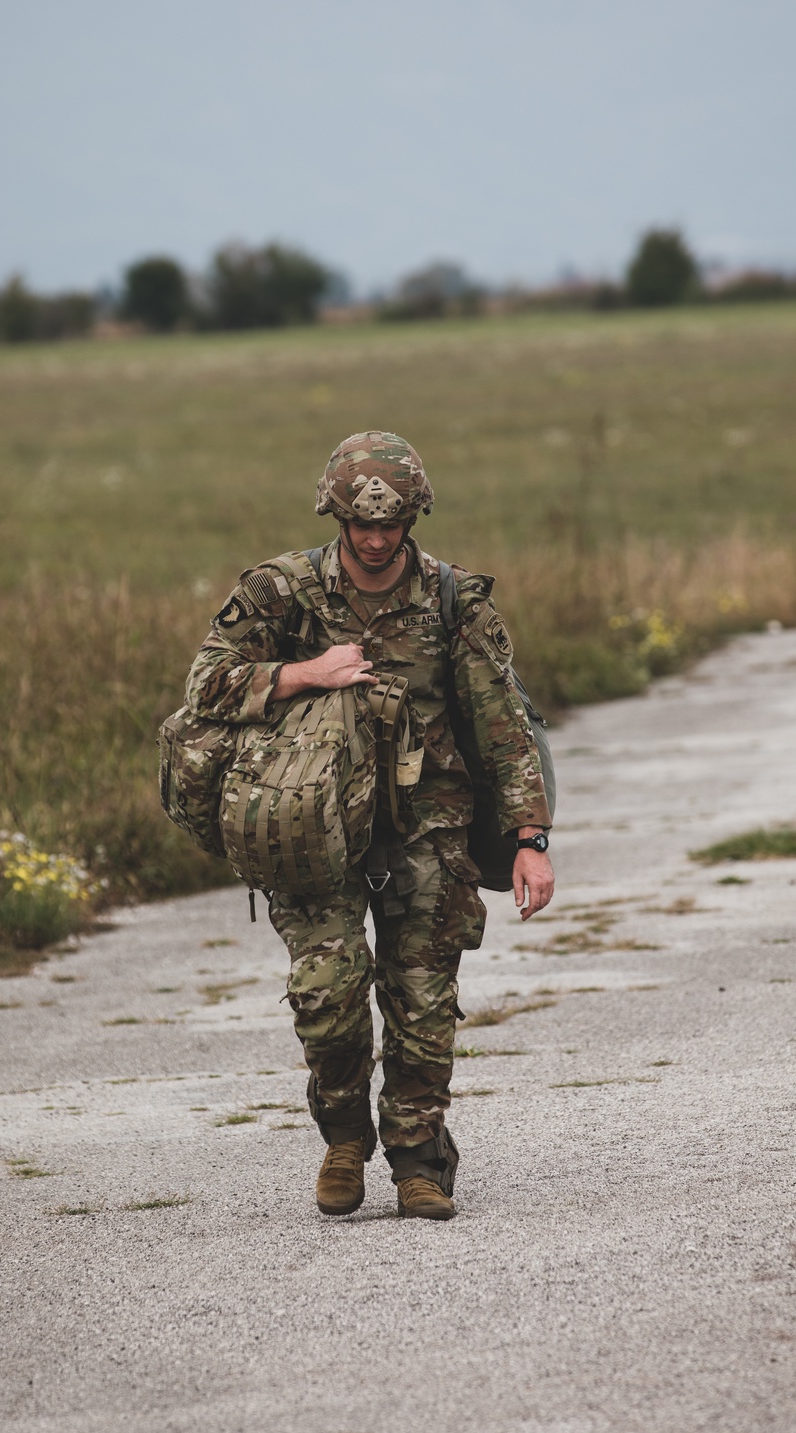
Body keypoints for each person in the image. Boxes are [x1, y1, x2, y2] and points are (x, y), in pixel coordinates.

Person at [185, 432, 553, 1220]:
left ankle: (419, 1161)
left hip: (429, 828)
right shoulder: (280, 593)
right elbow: (206, 683)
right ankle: (344, 1140)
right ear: (336, 516)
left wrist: (529, 839)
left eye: (393, 524)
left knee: (422, 1002)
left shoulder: (454, 600)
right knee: (330, 997)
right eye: (362, 525)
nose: (378, 540)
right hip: (312, 828)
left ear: (415, 513)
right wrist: (303, 674)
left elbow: (503, 725)